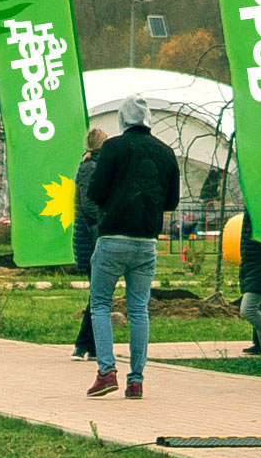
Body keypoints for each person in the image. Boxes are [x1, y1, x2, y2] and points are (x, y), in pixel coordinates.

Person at [81, 95, 180, 399]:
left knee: (100, 304)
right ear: (148, 119)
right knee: (139, 310)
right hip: (146, 242)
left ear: (123, 120)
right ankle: (135, 380)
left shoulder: (112, 148)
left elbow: (95, 192)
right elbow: (172, 201)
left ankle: (106, 371)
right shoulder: (166, 152)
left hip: (112, 238)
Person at [69, 128, 107, 361]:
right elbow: (91, 206)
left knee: (99, 293)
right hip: (91, 240)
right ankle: (82, 345)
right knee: (99, 294)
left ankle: (91, 347)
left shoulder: (90, 166)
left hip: (89, 239)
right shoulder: (90, 168)